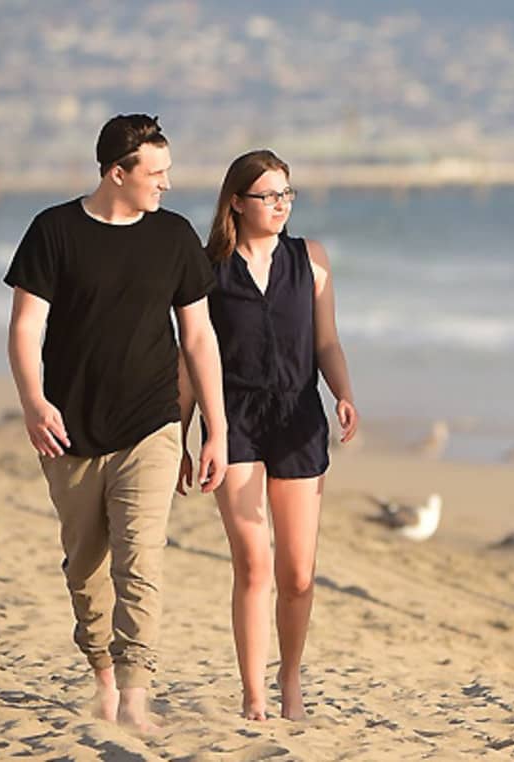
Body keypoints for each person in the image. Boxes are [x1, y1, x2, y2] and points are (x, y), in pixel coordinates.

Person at [5, 114, 228, 733]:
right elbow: (25, 328)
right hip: (68, 426)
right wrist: (32, 401)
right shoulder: (53, 231)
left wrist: (216, 426)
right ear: (117, 172)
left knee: (142, 558)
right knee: (85, 567)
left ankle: (135, 691)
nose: (167, 183)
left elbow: (200, 337)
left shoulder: (175, 237)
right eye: (156, 173)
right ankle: (102, 668)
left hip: (152, 421)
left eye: (168, 171)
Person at [177, 149, 358, 721]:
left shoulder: (312, 259)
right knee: (254, 564)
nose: (280, 205)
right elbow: (191, 357)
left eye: (286, 194)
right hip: (233, 421)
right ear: (236, 202)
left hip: (301, 418)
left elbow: (326, 341)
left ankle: (290, 677)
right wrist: (183, 434)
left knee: (298, 574)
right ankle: (254, 693)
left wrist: (344, 394)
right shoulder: (207, 269)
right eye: (268, 195)